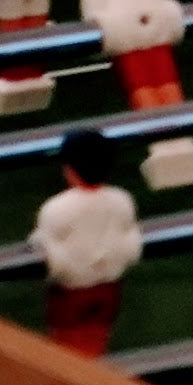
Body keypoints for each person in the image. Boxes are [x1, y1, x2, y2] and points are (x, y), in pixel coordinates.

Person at [34, 129, 142, 354]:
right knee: (97, 347)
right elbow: (131, 246)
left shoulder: (56, 208)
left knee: (67, 355)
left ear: (69, 168)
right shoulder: (122, 200)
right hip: (109, 288)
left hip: (70, 292)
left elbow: (45, 247)